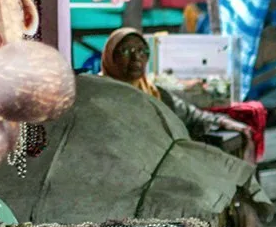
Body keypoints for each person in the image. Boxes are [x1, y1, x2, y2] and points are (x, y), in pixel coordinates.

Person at [100, 28, 251, 142]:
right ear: (110, 56)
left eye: (141, 51)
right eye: (126, 51)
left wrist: (223, 121)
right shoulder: (97, 93)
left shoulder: (154, 93)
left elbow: (192, 115)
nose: (136, 58)